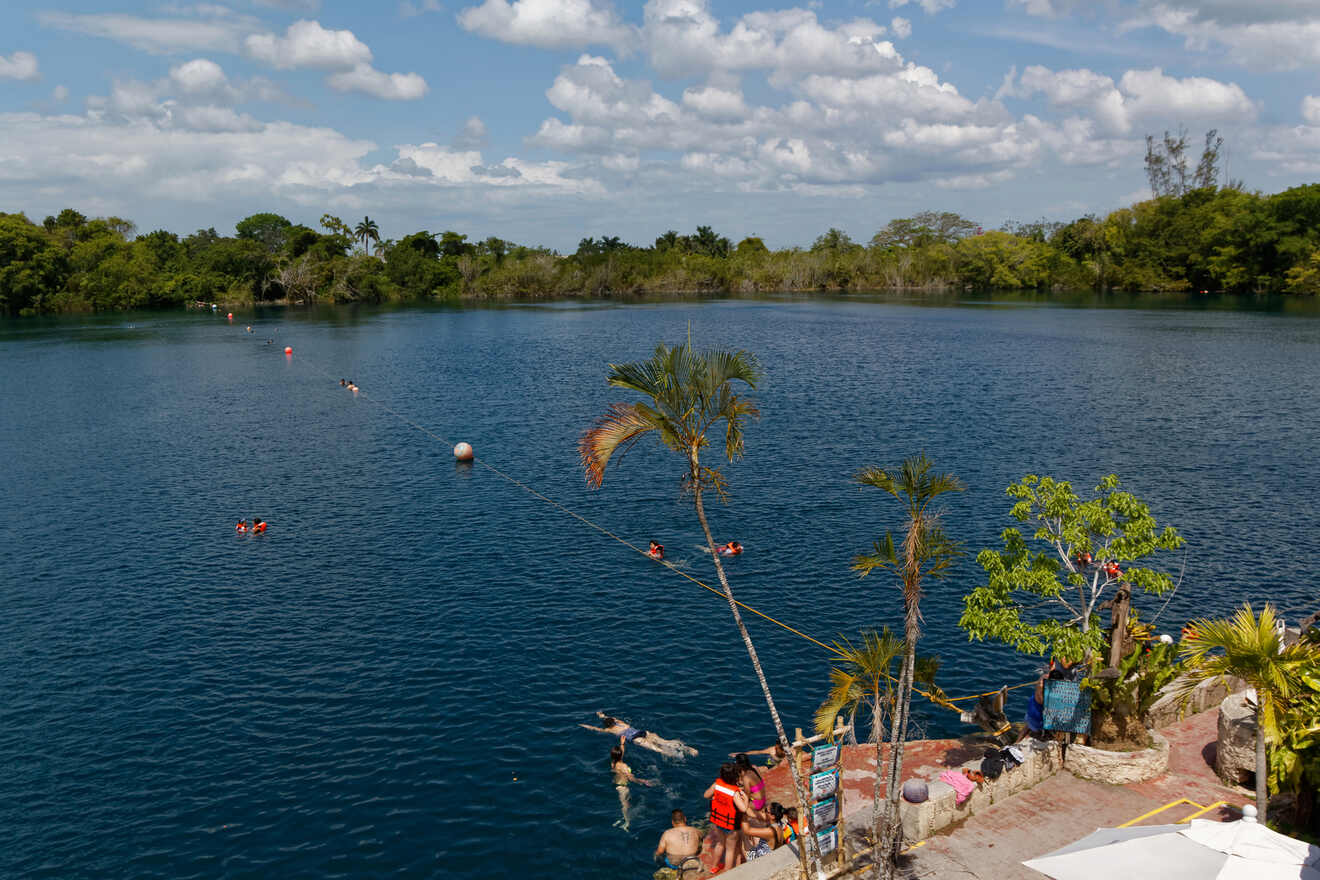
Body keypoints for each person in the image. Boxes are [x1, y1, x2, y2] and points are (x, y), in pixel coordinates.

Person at [580, 712, 697, 758]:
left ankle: (678, 756)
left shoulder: (610, 730)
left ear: (607, 726)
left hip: (637, 739)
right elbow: (611, 718)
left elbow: (595, 729)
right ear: (614, 721)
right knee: (665, 742)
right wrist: (603, 715)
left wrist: (585, 726)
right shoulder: (620, 722)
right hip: (643, 732)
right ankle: (688, 749)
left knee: (659, 750)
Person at [703, 763, 748, 875]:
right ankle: (727, 870)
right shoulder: (735, 792)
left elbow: (706, 795)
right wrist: (746, 799)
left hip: (718, 822)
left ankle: (713, 867)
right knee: (730, 849)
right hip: (731, 826)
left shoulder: (716, 785)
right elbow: (743, 809)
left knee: (720, 844)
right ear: (735, 777)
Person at [610, 738, 654, 831]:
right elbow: (632, 779)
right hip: (623, 787)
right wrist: (643, 782)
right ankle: (626, 822)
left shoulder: (613, 763)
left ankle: (623, 818)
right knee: (625, 805)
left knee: (628, 804)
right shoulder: (624, 766)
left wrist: (622, 744)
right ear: (620, 755)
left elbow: (621, 753)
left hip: (617, 784)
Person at [654, 809, 701, 874]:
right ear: (685, 819)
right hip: (693, 861)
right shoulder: (696, 831)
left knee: (659, 855)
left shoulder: (667, 833)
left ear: (672, 822)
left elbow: (659, 852)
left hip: (675, 865)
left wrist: (656, 857)